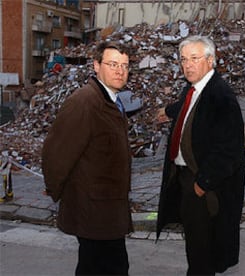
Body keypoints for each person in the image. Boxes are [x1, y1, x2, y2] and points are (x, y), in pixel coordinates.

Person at [156, 35, 245, 275]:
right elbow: (189, 108)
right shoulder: (196, 89)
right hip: (188, 179)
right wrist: (168, 111)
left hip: (203, 186)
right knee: (195, 245)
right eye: (184, 59)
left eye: (194, 58)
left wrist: (203, 183)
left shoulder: (221, 96)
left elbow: (229, 150)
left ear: (210, 60)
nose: (187, 65)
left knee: (202, 252)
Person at [42, 41, 133, 275]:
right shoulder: (85, 102)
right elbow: (57, 153)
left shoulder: (111, 100)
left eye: (124, 65)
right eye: (112, 64)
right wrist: (57, 191)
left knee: (100, 267)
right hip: (93, 211)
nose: (119, 70)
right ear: (96, 65)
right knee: (107, 267)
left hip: (108, 209)